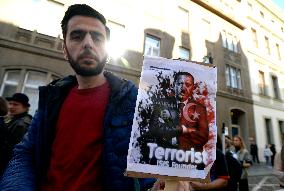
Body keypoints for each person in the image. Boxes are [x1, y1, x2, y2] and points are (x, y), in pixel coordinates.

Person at [0, 4, 154, 191]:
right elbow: (25, 154)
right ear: (64, 49)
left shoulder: (133, 100)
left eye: (97, 37)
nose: (88, 43)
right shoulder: (51, 99)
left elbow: (149, 166)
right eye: (77, 36)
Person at [173, 71, 209, 151]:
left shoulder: (200, 109)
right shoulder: (163, 104)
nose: (183, 88)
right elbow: (154, 130)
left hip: (188, 158)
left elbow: (203, 136)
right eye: (180, 84)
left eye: (188, 85)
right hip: (162, 154)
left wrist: (183, 131)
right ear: (174, 85)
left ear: (192, 88)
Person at [0, 93, 32, 177]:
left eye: (16, 104)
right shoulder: (15, 119)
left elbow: (13, 148)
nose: (11, 107)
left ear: (25, 107)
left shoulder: (21, 124)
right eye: (10, 104)